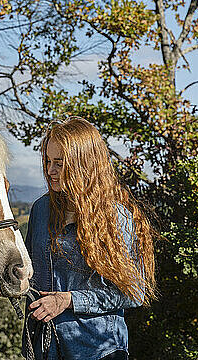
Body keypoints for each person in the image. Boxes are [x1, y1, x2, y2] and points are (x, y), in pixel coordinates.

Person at [23, 117, 156, 360]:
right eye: (48, 161)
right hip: (44, 349)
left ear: (84, 165)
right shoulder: (40, 210)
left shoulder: (116, 218)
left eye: (60, 164)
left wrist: (69, 300)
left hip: (98, 350)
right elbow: (29, 272)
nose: (50, 171)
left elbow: (134, 291)